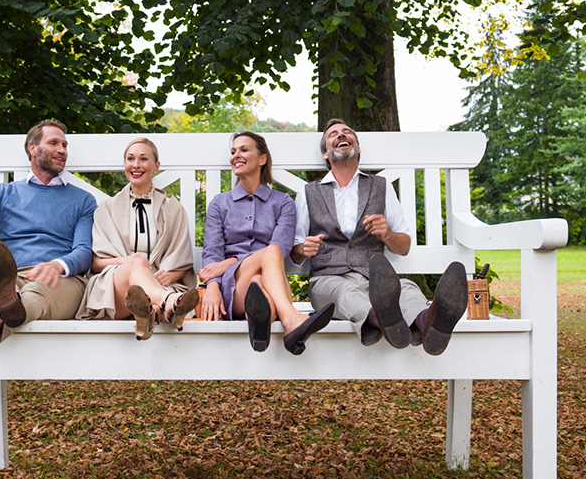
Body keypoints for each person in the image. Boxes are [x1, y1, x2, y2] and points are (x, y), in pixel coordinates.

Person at [291, 119, 467, 356]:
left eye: (347, 132)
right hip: (328, 280)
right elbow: (294, 249)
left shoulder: (380, 187)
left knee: (406, 288)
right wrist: (303, 248)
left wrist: (387, 234)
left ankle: (431, 322)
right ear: (325, 152)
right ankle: (383, 318)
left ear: (358, 148)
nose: (341, 135)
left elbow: (403, 246)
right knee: (345, 294)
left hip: (375, 280)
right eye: (333, 134)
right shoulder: (308, 192)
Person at [0, 118, 97, 345]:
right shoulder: (4, 193)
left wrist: (58, 265)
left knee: (37, 293)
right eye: (54, 143)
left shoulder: (83, 200)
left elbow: (84, 251)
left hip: (61, 280)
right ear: (33, 148)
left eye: (64, 145)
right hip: (9, 277)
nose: (62, 150)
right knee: (7, 288)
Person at [200, 131, 334, 354]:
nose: (236, 155)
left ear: (262, 159)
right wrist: (213, 284)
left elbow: (281, 251)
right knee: (268, 255)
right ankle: (292, 319)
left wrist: (230, 260)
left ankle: (265, 322)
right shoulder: (219, 204)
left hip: (267, 287)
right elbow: (212, 253)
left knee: (259, 280)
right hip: (233, 289)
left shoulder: (283, 203)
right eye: (233, 152)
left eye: (244, 150)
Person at [76, 137, 200, 339]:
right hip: (115, 290)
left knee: (147, 283)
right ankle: (169, 303)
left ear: (156, 166)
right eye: (130, 159)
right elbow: (97, 263)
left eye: (143, 159)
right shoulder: (106, 210)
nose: (136, 165)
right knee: (137, 265)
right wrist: (129, 262)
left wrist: (170, 275)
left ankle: (149, 313)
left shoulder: (173, 209)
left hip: (161, 283)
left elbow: (182, 260)